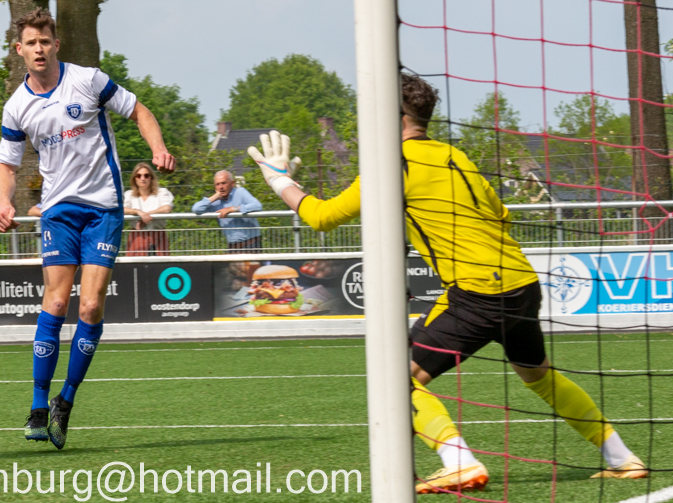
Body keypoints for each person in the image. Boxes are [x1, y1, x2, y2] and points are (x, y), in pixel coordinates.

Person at [248, 73, 647, 494]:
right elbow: (500, 215)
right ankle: (622, 458)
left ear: (391, 116)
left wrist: (279, 180)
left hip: (478, 291)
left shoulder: (393, 164)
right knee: (539, 376)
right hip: (522, 282)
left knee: (393, 379)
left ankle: (459, 462)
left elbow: (322, 217)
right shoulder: (454, 155)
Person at [0, 9, 175, 450]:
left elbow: (139, 110)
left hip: (103, 209)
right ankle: (38, 406)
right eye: (31, 43)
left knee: (90, 306)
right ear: (19, 50)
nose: (39, 49)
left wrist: (158, 147)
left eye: (45, 41)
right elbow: (6, 166)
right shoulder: (17, 107)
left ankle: (66, 401)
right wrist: (3, 202)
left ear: (56, 45)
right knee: (56, 302)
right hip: (58, 210)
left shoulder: (88, 80)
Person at [190, 170, 264, 252]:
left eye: (224, 183)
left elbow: (257, 205)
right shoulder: (216, 202)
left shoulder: (240, 192)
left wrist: (233, 209)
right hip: (232, 247)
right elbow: (196, 209)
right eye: (217, 184)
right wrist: (215, 197)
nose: (221, 187)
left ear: (232, 183)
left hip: (251, 245)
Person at [122, 162, 174, 256]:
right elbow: (122, 209)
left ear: (151, 178)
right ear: (135, 178)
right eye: (139, 176)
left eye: (146, 175)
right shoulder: (129, 195)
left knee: (161, 263)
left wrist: (147, 215)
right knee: (134, 263)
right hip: (137, 236)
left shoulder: (162, 192)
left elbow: (167, 208)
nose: (143, 179)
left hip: (158, 235)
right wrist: (137, 212)